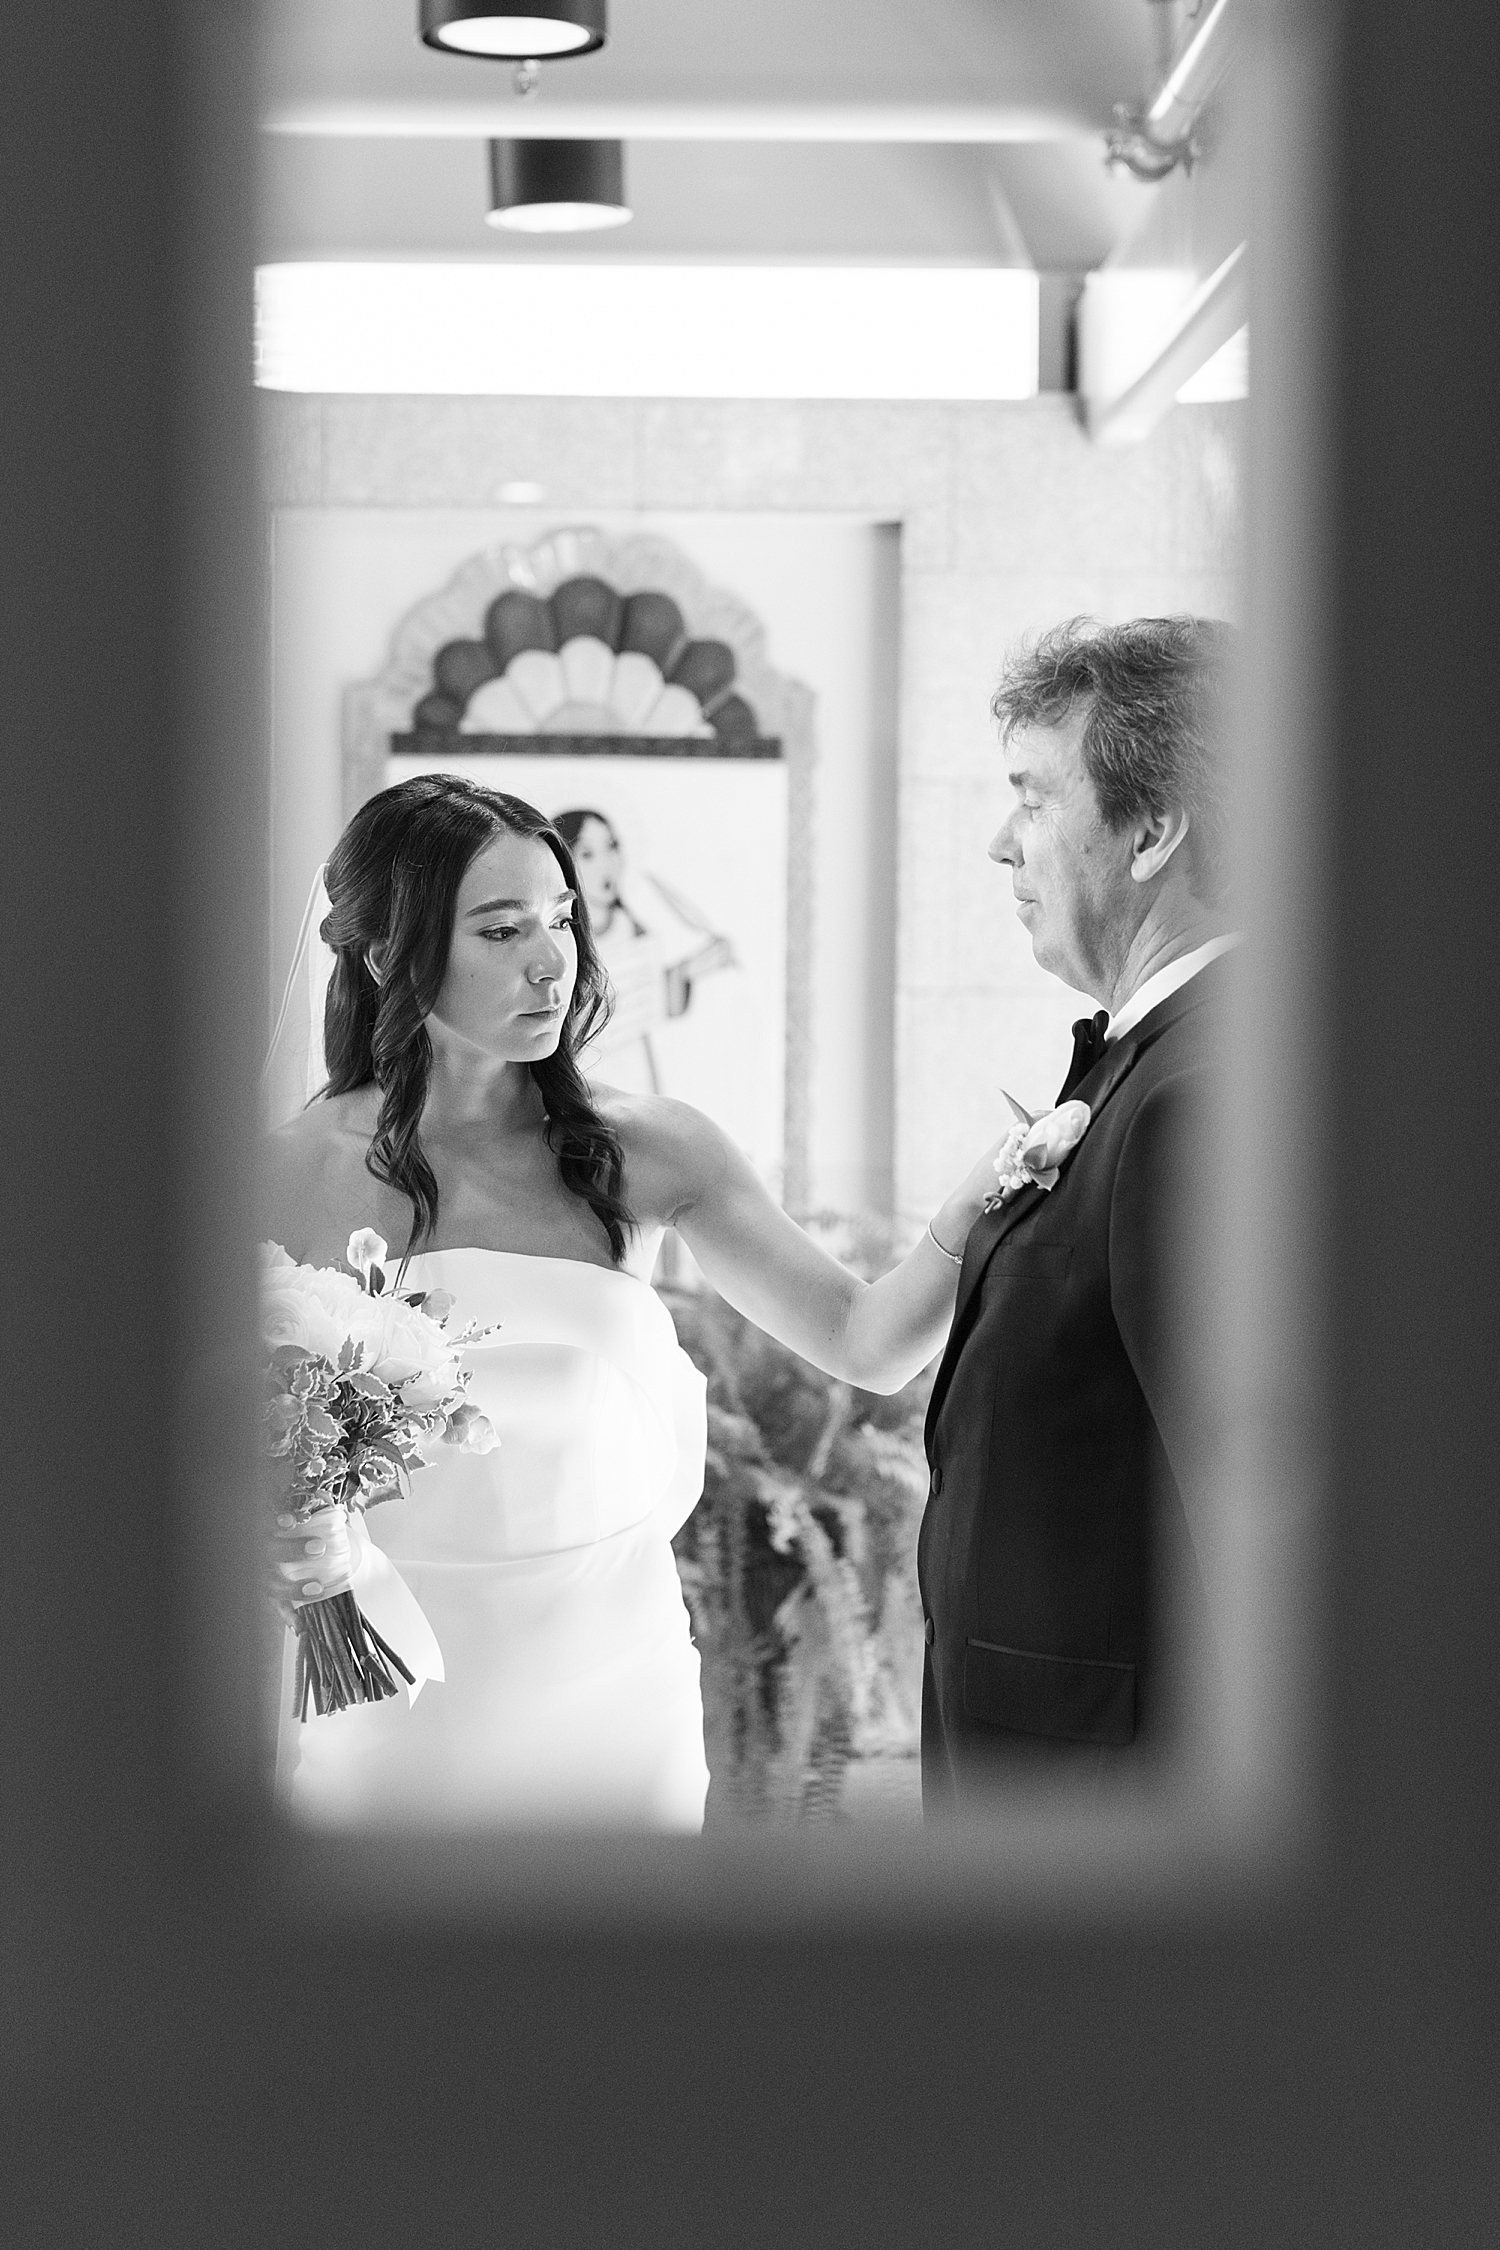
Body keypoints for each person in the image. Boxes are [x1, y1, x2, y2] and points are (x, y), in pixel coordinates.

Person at [264, 773, 1007, 1831]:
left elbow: (866, 1343)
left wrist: (987, 1195)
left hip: (616, 1696)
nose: (551, 958)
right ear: (388, 954)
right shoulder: (282, 1176)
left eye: (561, 918)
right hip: (390, 1698)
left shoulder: (649, 1150)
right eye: (501, 927)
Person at [919, 615, 1239, 1816]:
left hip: (1109, 1810)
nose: (1003, 845)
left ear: (1153, 831)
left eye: (1035, 799)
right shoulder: (1136, 1064)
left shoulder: (1201, 1095)